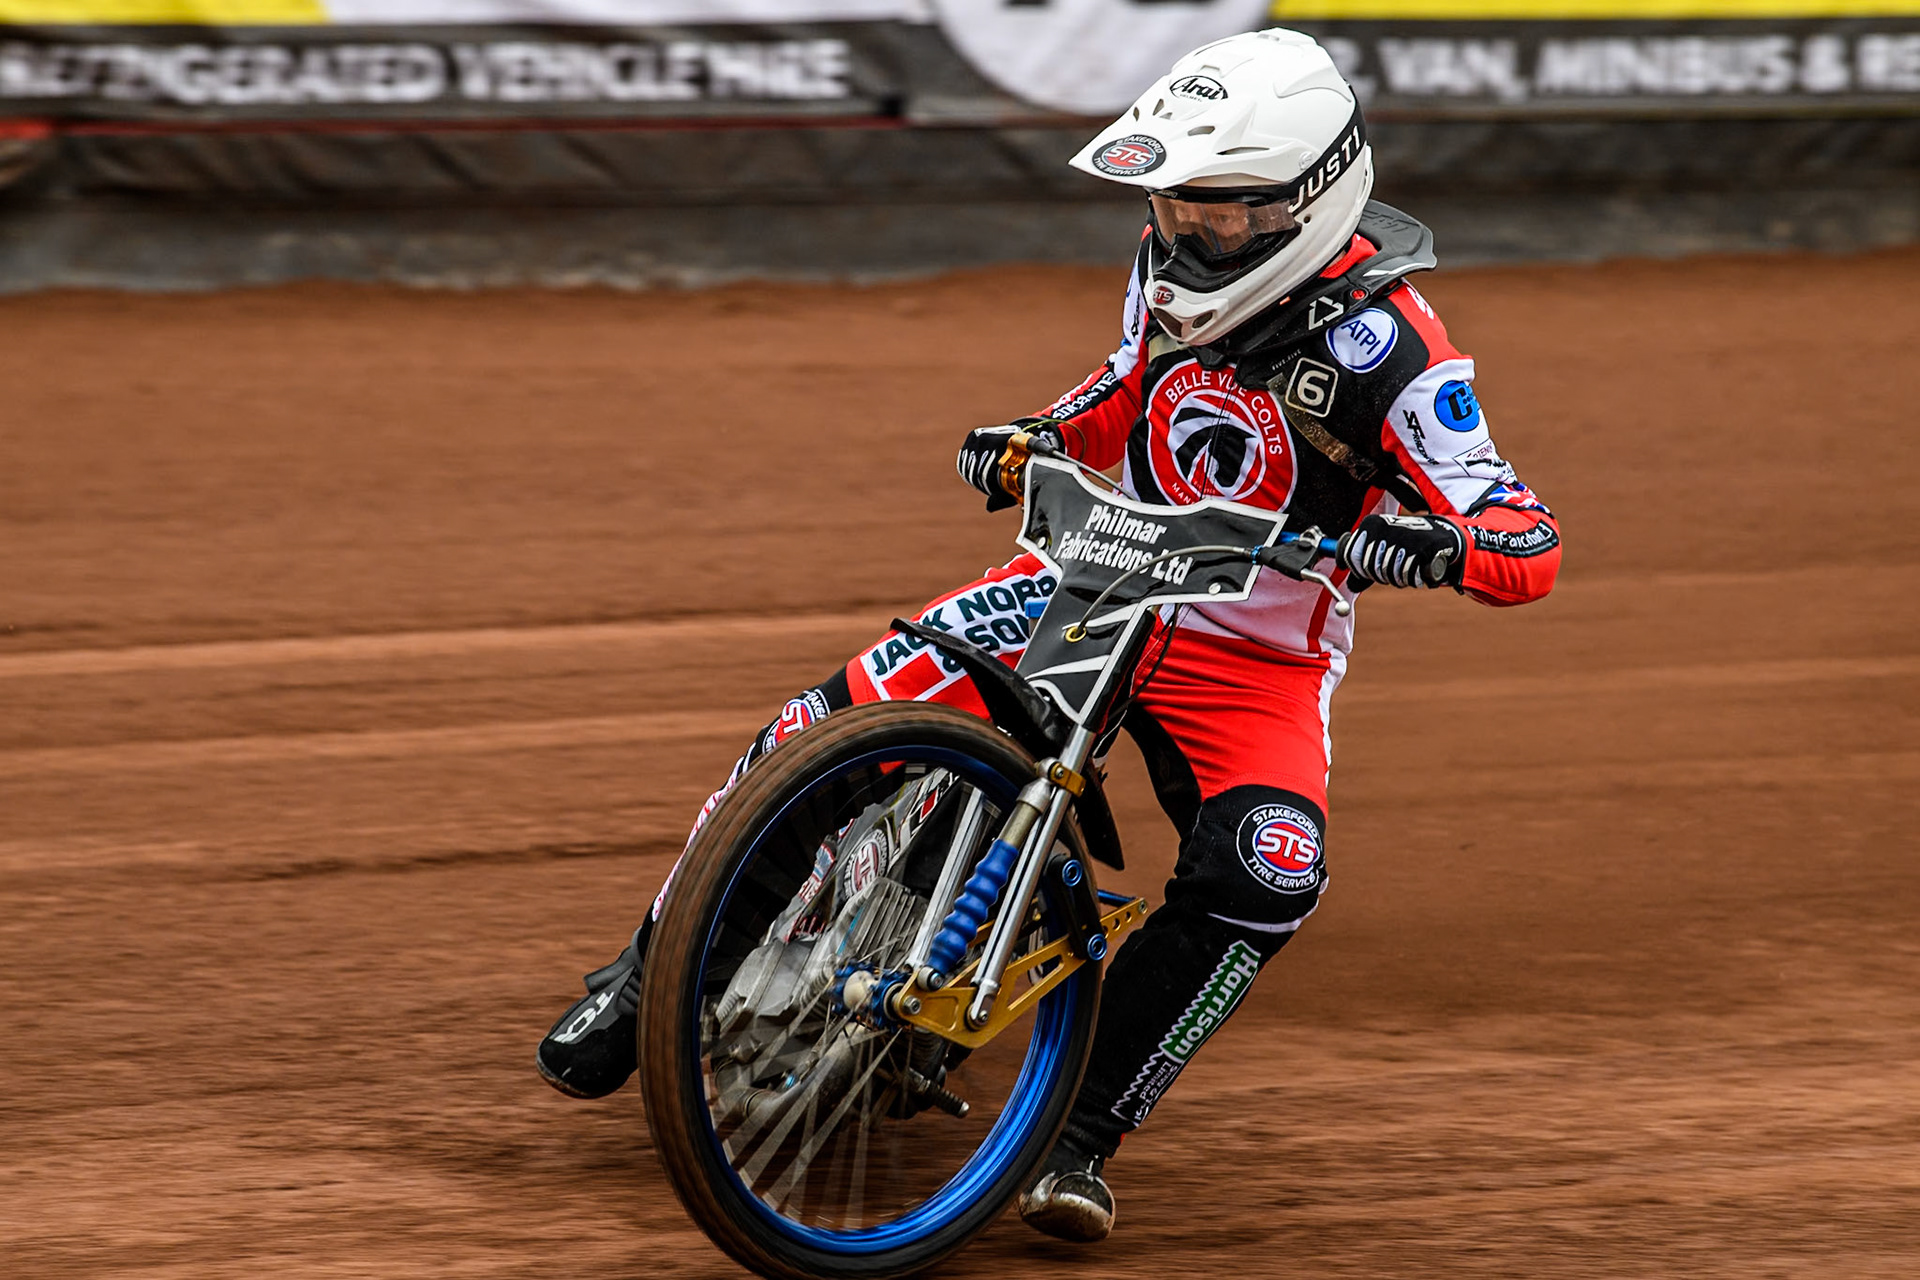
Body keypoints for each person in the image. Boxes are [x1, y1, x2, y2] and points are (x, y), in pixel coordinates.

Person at [535, 27, 1560, 1244]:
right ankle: (650, 975)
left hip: (1250, 655)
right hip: (1092, 573)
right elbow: (1123, 387)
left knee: (1270, 870)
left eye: (1218, 212)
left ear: (1310, 197)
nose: (1187, 235)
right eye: (1172, 205)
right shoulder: (1167, 268)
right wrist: (1042, 434)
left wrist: (1435, 546)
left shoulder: (1395, 350)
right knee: (828, 719)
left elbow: (1525, 535)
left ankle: (1078, 1133)